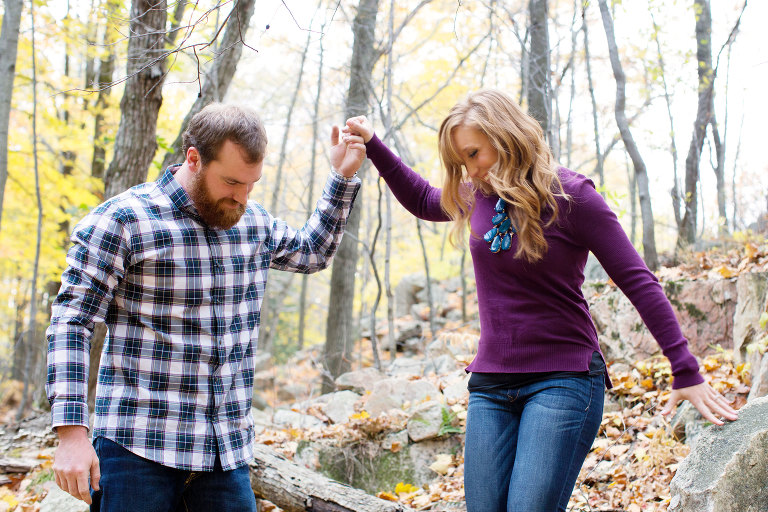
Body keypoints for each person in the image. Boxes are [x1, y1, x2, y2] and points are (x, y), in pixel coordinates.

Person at [344, 89, 739, 512]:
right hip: (491, 385)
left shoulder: (572, 196)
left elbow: (638, 281)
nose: (471, 170)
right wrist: (372, 146)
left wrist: (685, 370)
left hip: (563, 378)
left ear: (507, 136)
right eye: (462, 162)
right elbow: (425, 199)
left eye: (475, 153)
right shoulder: (480, 192)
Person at [46, 103, 366, 511]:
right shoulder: (123, 221)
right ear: (193, 158)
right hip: (137, 447)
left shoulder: (253, 223)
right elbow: (72, 322)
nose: (242, 197)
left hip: (224, 456)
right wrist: (72, 433)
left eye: (252, 185)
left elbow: (312, 252)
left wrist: (343, 175)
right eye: (232, 182)